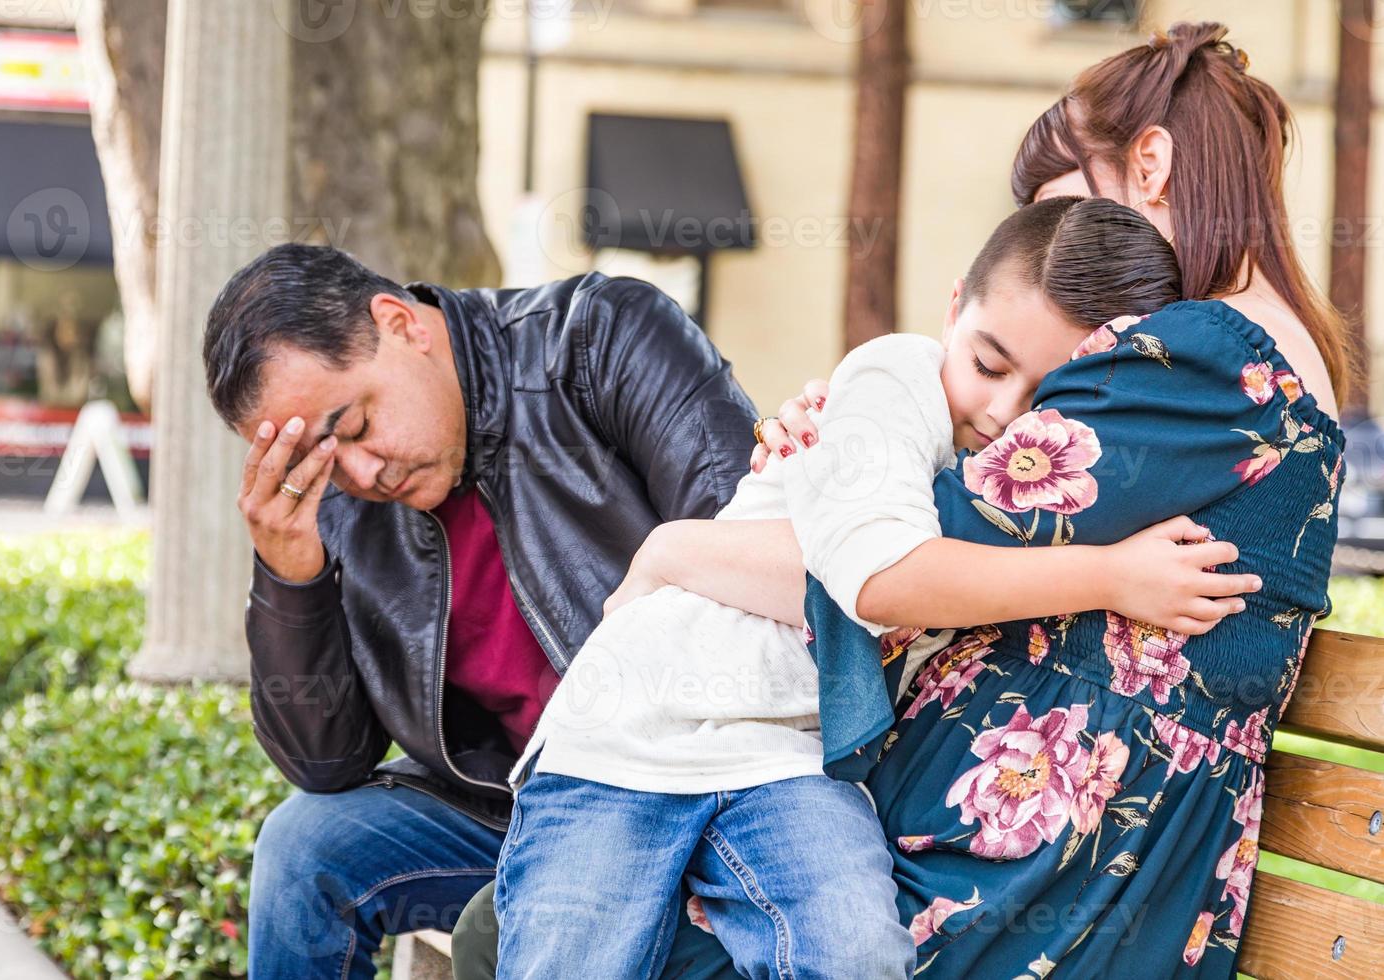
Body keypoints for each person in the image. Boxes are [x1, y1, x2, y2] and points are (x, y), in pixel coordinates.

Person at [451, 22, 1353, 979]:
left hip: (1019, 876)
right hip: (1015, 842)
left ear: (1152, 164)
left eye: (1075, 225)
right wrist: (848, 440)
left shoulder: (1198, 358)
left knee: (522, 934)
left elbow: (890, 559)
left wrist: (676, 550)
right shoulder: (1217, 356)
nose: (1081, 286)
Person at [491, 196, 1261, 980]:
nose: (1002, 413)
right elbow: (879, 577)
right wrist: (1111, 575)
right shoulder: (895, 373)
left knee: (857, 953)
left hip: (789, 760)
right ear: (954, 306)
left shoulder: (1051, 474)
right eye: (988, 366)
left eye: (1046, 399)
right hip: (634, 730)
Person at [201, 244, 763, 978]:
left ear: (401, 323)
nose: (362, 475)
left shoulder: (599, 340)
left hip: (692, 794)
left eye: (359, 425)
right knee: (304, 848)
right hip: (519, 806)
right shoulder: (343, 501)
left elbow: (748, 568)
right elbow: (327, 759)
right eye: (323, 463)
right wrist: (289, 574)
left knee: (494, 929)